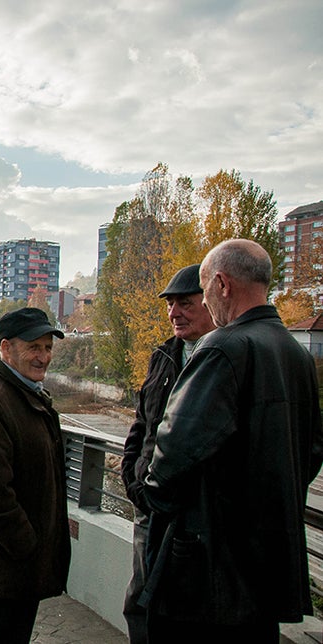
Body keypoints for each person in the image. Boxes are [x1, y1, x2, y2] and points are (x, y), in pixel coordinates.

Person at [141, 239, 323, 641]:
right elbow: (310, 454)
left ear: (222, 284)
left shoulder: (223, 348)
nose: (205, 304)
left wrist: (152, 496)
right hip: (266, 571)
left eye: (204, 292)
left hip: (206, 576)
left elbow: (173, 452)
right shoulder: (297, 355)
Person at [0, 307, 71, 643]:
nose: (44, 357)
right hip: (7, 566)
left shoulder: (20, 393)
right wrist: (28, 546)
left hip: (17, 565)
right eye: (34, 347)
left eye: (48, 348)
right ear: (6, 348)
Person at [120, 264, 216, 644]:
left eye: (186, 304)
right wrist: (132, 478)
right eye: (171, 305)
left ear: (210, 303)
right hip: (150, 507)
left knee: (185, 612)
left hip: (197, 518)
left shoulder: (225, 358)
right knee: (140, 600)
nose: (175, 312)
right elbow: (142, 424)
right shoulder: (163, 356)